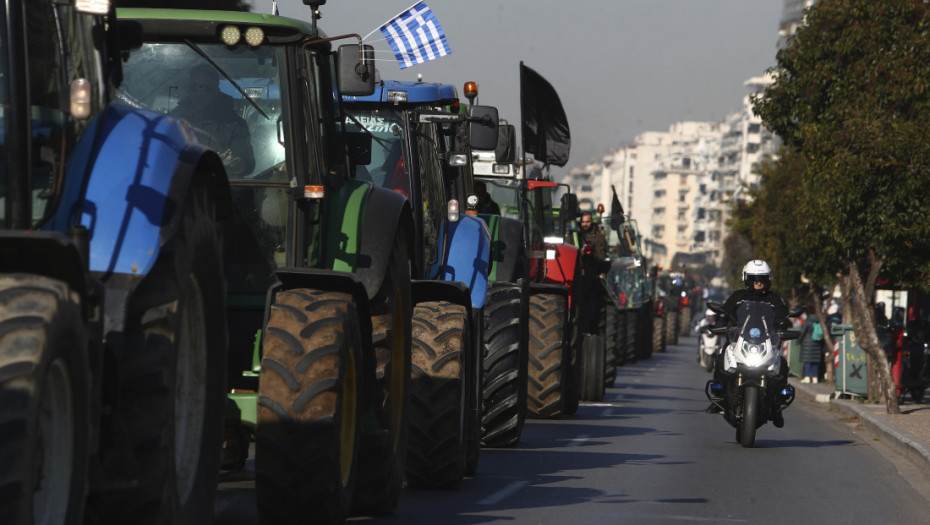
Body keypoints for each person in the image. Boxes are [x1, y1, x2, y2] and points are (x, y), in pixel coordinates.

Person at [707, 259, 791, 428]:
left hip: (766, 343)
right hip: (739, 341)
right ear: (746, 279)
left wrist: (784, 328)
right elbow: (725, 314)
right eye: (753, 278)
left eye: (761, 278)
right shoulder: (738, 297)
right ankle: (719, 398)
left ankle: (777, 406)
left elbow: (783, 319)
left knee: (781, 363)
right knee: (722, 356)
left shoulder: (774, 299)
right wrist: (720, 325)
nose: (757, 282)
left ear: (768, 279)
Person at [173, 64, 254, 178]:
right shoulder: (173, 122)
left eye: (206, 89)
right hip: (181, 187)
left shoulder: (234, 124)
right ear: (188, 90)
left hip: (221, 187)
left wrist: (235, 163)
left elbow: (246, 162)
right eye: (194, 87)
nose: (200, 94)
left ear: (216, 91)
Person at [577, 211, 608, 335]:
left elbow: (601, 256)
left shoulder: (598, 237)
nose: (585, 224)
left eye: (587, 222)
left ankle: (588, 328)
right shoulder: (575, 234)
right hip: (576, 273)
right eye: (583, 222)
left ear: (592, 222)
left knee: (590, 304)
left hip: (590, 275)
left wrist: (589, 254)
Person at [798, 306, 823, 383]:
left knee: (807, 360)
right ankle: (815, 377)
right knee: (815, 360)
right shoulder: (819, 320)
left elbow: (803, 332)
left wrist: (799, 341)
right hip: (817, 341)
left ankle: (807, 377)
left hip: (807, 341)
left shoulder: (808, 320)